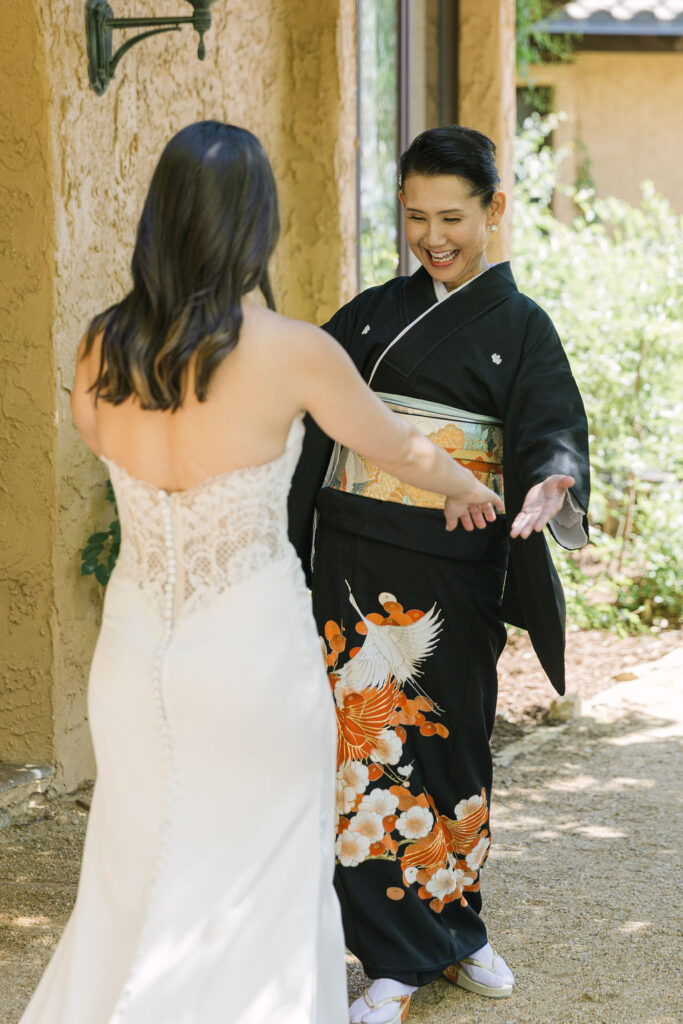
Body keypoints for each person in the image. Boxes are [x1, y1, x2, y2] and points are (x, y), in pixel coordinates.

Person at [18, 122, 503, 1024]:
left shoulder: (101, 346)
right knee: (263, 870)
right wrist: (464, 485)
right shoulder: (289, 349)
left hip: (133, 651)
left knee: (139, 864)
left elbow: (97, 436)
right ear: (255, 226)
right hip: (248, 651)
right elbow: (396, 446)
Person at [288, 125, 590, 1024]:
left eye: (452, 216)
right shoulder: (372, 315)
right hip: (353, 566)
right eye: (415, 216)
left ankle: (456, 929)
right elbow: (312, 417)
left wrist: (549, 480)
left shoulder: (521, 326)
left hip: (454, 572)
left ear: (493, 210)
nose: (433, 235)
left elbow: (549, 427)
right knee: (368, 759)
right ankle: (389, 958)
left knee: (452, 755)